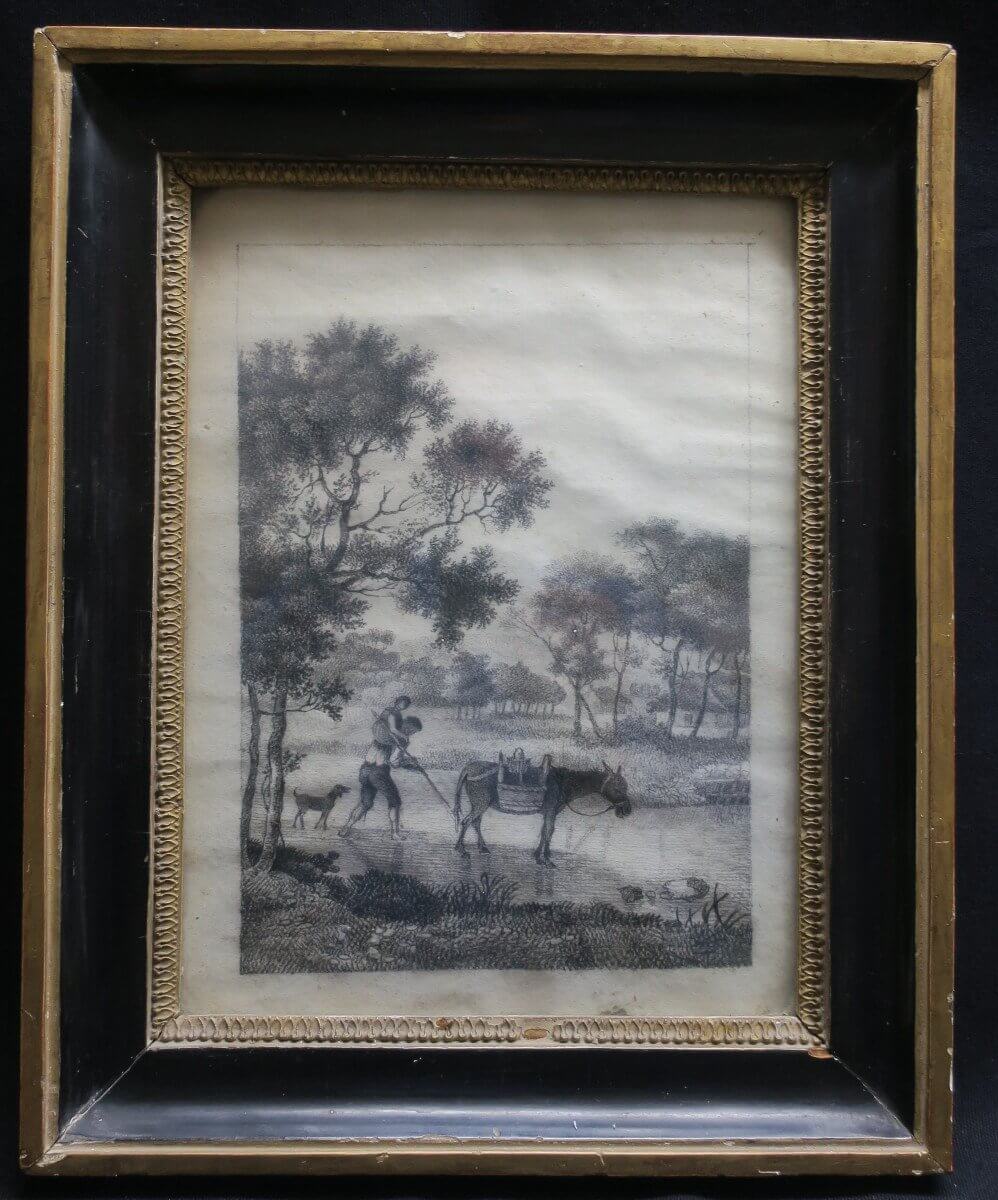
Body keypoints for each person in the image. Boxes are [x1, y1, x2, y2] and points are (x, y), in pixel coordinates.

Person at [339, 699, 422, 840]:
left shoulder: (383, 733)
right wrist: (411, 764)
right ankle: (395, 834)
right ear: (409, 727)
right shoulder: (401, 740)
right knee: (395, 801)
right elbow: (394, 762)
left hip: (365, 770)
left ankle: (346, 828)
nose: (411, 734)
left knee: (365, 803)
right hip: (379, 773)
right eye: (413, 731)